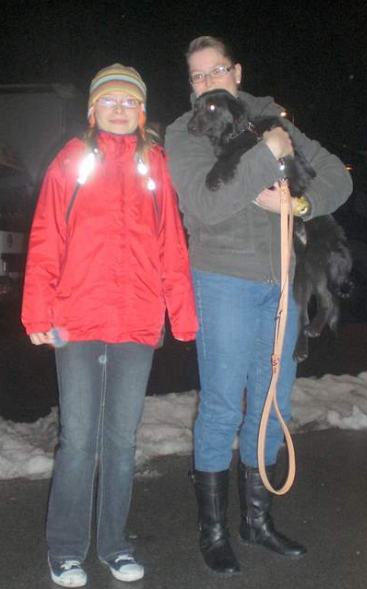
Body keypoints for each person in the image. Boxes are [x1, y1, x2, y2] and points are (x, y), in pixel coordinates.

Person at [165, 36, 353, 575]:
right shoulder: (185, 132)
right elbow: (205, 204)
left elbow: (337, 176)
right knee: (223, 407)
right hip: (223, 281)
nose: (209, 82)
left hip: (282, 283)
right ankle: (214, 530)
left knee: (274, 405)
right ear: (191, 84)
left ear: (237, 72)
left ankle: (257, 520)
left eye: (217, 70)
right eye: (198, 75)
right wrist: (267, 155)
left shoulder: (273, 119)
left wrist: (300, 203)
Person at [21, 63, 198, 587]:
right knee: (79, 439)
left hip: (137, 319)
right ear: (92, 110)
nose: (119, 110)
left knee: (122, 441)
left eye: (129, 102)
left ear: (141, 112)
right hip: (75, 319)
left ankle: (115, 545)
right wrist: (37, 310)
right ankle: (65, 549)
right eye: (110, 101)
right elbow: (46, 237)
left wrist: (182, 311)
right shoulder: (71, 161)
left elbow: (172, 243)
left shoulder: (155, 164)